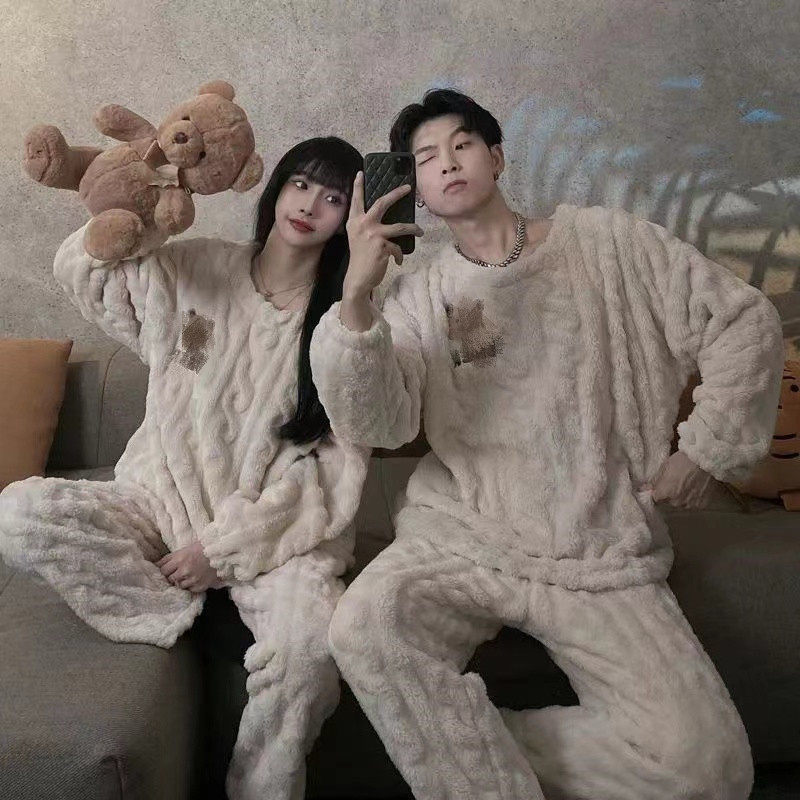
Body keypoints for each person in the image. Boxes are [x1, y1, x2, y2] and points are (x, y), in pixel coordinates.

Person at [308, 89, 785, 800]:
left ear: (497, 158)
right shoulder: (417, 295)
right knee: (363, 628)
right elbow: (381, 425)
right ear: (416, 190)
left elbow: (742, 321)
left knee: (708, 769)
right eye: (426, 158)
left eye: (463, 145)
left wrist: (707, 450)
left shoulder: (608, 244)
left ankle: (478, 748)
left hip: (596, 548)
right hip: (463, 535)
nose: (448, 163)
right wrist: (355, 299)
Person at [0, 136, 371, 800]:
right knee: (18, 514)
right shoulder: (199, 264)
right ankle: (178, 602)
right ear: (276, 186)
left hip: (274, 538)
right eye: (301, 183)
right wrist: (143, 206)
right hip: (159, 500)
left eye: (334, 197)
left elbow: (328, 474)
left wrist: (222, 552)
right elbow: (84, 270)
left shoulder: (344, 320)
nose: (310, 204)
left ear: (349, 217)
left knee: (310, 653)